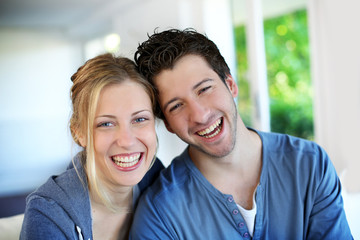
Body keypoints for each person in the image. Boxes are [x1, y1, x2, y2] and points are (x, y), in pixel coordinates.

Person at [129, 29, 353, 239]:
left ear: (230, 84)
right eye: (176, 106)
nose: (199, 114)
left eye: (204, 89)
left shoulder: (310, 164)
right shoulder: (159, 214)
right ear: (167, 124)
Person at [20, 53, 164, 240]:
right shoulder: (48, 213)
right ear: (80, 133)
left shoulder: (159, 180)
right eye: (106, 124)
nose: (127, 141)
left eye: (140, 119)